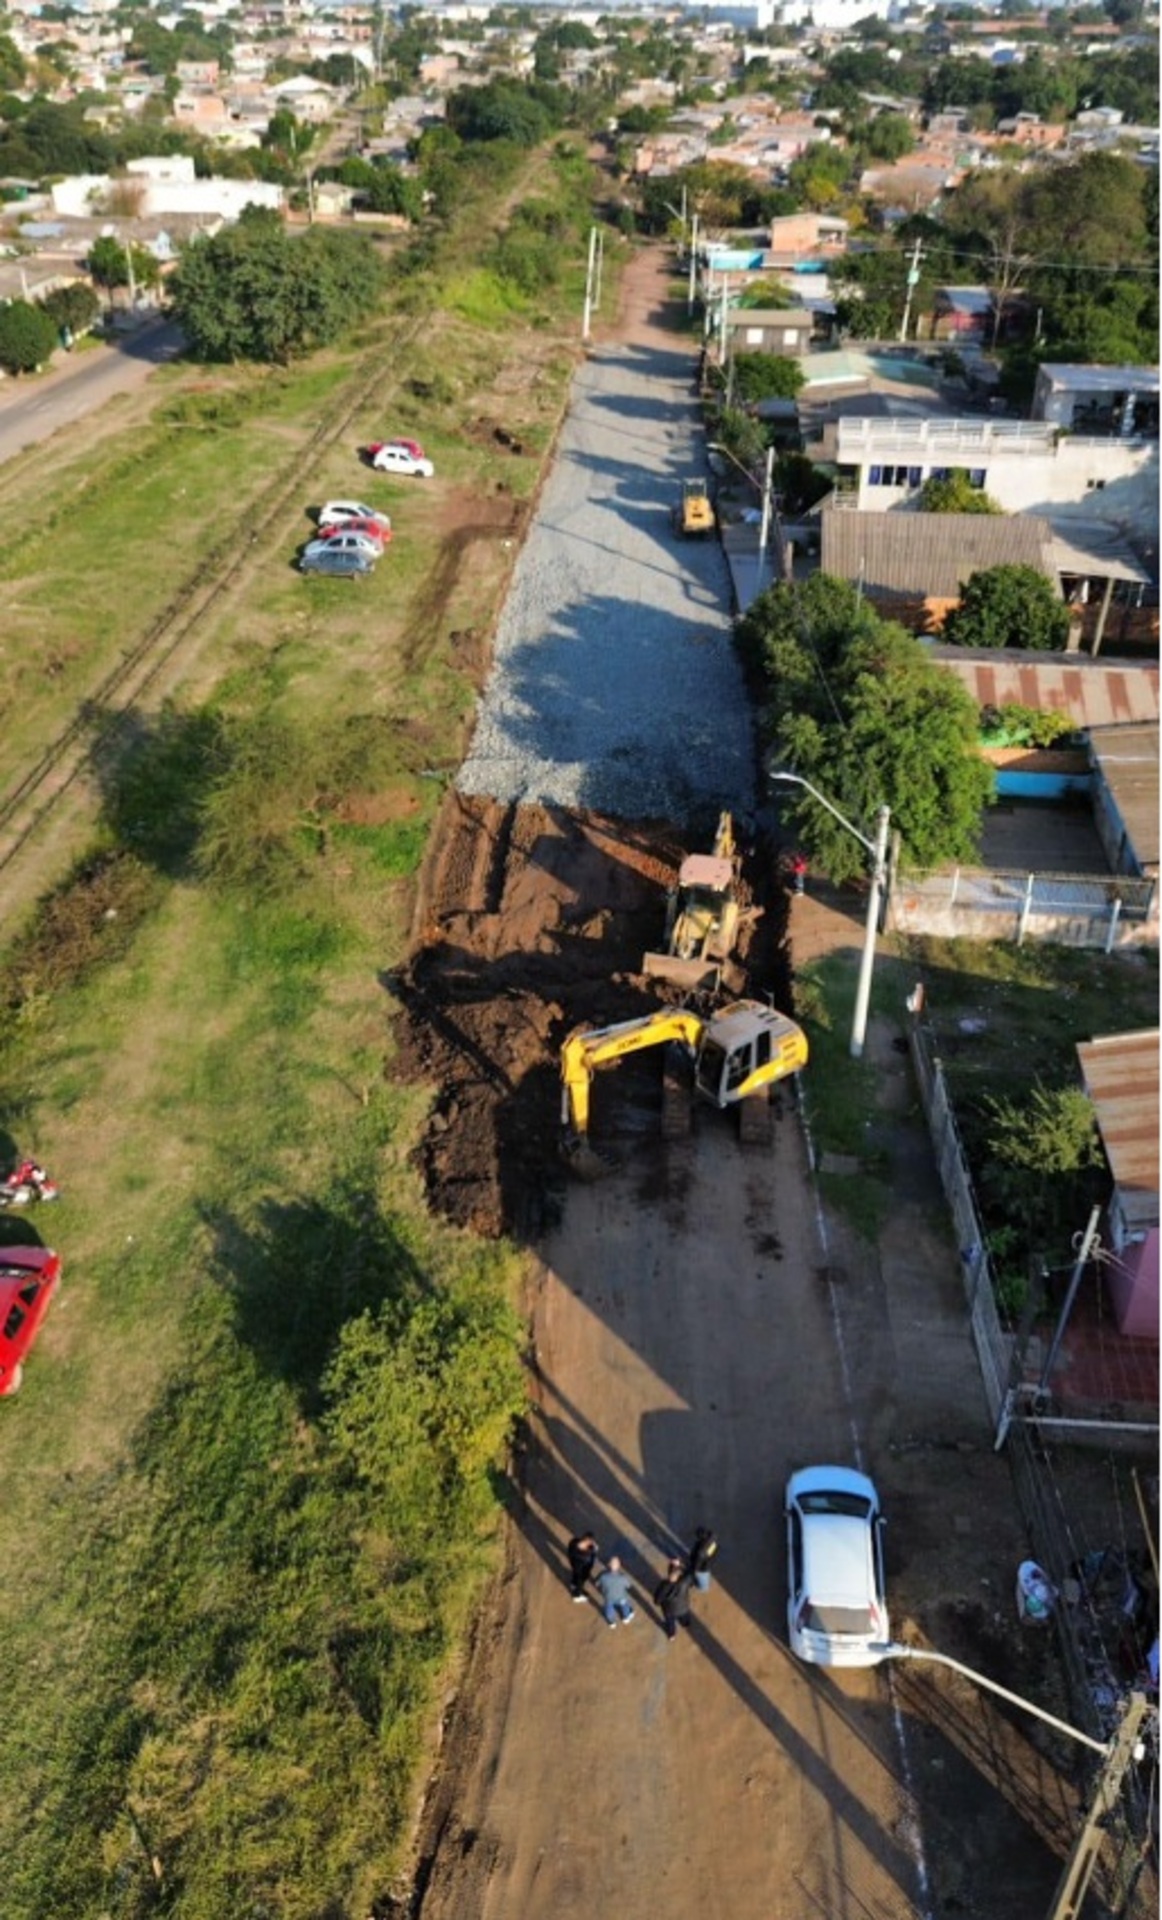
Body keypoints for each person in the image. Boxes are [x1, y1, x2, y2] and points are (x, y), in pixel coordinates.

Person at [654, 1557, 694, 1641]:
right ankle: (686, 1624)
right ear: (679, 1574)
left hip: (669, 1610)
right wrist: (680, 1565)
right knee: (685, 1616)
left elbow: (657, 1601)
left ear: (668, 1573)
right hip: (683, 1607)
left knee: (670, 1623)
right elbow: (690, 1574)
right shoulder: (684, 1581)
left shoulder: (663, 1586)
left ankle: (672, 1635)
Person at [596, 1555, 636, 1629]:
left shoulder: (603, 1576)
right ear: (619, 1565)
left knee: (609, 1608)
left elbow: (597, 1583)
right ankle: (626, 1617)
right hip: (621, 1597)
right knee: (625, 1606)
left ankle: (611, 1622)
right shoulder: (623, 1577)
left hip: (608, 1597)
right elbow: (628, 1586)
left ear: (609, 1565)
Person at [567, 1532, 600, 1603]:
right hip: (582, 1569)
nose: (592, 1543)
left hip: (575, 1565)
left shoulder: (574, 1542)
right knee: (581, 1581)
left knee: (575, 1575)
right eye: (591, 1541)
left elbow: (570, 1553)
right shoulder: (587, 1552)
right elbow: (591, 1557)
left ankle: (573, 1584)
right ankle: (577, 1595)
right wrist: (594, 1550)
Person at [687, 1526, 718, 1593]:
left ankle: (699, 1584)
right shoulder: (713, 1537)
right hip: (709, 1561)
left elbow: (696, 1566)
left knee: (703, 1587)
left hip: (703, 1567)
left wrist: (693, 1570)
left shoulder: (700, 1552)